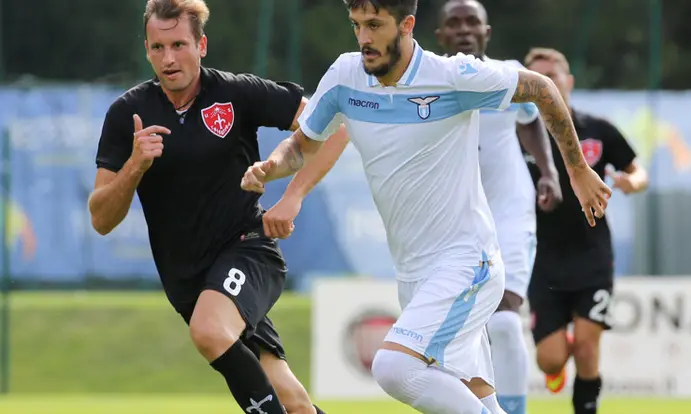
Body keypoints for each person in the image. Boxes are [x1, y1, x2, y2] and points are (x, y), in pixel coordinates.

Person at [241, 1, 611, 413]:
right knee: (477, 398)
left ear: (407, 25)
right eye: (357, 25)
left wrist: (576, 171)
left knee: (394, 367)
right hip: (414, 274)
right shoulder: (346, 76)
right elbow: (303, 145)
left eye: (375, 25)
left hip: (468, 263)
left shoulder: (452, 76)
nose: (364, 38)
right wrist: (270, 167)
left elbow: (542, 88)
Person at [88, 0, 341, 413]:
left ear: (201, 45)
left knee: (209, 331)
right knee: (291, 398)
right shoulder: (127, 114)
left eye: (179, 45)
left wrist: (291, 198)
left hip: (247, 249)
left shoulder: (236, 92)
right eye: (157, 48)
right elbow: (101, 219)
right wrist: (134, 166)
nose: (168, 59)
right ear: (147, 50)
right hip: (188, 282)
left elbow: (334, 127)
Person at [434, 2, 562, 413]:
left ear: (487, 31)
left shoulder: (507, 77)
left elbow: (529, 118)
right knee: (460, 334)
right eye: (454, 23)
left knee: (505, 320)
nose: (464, 30)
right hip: (454, 222)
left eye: (473, 22)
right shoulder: (426, 84)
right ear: (439, 36)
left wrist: (548, 172)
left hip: (510, 212)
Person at [523, 47, 649, 414]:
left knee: (588, 348)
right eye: (537, 79)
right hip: (541, 260)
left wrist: (632, 182)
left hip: (592, 256)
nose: (547, 84)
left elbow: (638, 170)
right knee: (550, 360)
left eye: (553, 76)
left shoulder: (597, 129)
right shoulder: (518, 137)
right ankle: (556, 363)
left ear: (569, 81)